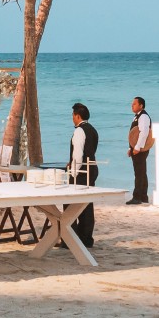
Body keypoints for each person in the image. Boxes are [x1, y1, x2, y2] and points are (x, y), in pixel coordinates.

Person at [64, 102, 102, 247]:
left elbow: (78, 155)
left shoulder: (79, 131)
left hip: (82, 172)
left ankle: (70, 239)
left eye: (73, 115)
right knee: (86, 205)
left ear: (77, 116)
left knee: (71, 204)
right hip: (92, 169)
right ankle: (86, 238)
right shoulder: (93, 130)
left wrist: (73, 173)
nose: (72, 118)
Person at [127, 96, 152, 205]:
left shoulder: (144, 117)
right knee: (141, 172)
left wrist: (137, 147)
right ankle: (143, 197)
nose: (132, 105)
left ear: (141, 105)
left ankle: (137, 197)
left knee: (139, 173)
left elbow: (144, 133)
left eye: (134, 104)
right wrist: (130, 148)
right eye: (132, 104)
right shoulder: (137, 117)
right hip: (136, 148)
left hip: (140, 149)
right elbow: (134, 134)